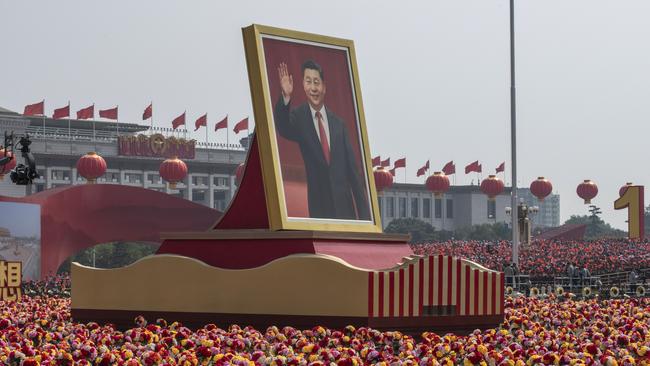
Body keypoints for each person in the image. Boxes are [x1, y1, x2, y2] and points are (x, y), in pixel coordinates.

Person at [274, 60, 370, 220]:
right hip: (320, 206)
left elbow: (353, 173)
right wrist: (286, 96)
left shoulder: (339, 124)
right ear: (304, 86)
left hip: (344, 208)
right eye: (308, 82)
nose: (313, 88)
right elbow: (283, 128)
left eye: (316, 82)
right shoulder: (299, 117)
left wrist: (366, 219)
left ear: (324, 87)